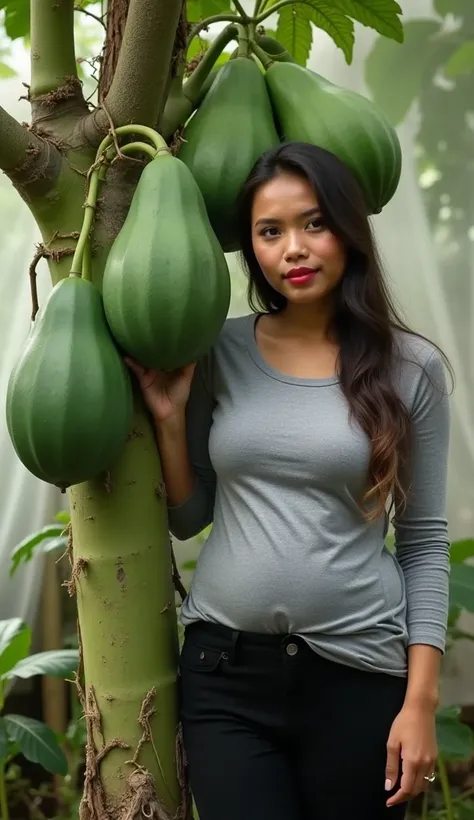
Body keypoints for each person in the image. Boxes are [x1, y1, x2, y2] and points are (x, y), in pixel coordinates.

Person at [127, 141, 451, 820]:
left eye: (313, 223)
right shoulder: (219, 347)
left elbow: (422, 545)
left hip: (359, 676)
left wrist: (420, 703)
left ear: (348, 229)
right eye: (269, 232)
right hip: (225, 677)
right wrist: (168, 421)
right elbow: (191, 517)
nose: (293, 250)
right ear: (250, 249)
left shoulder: (411, 368)